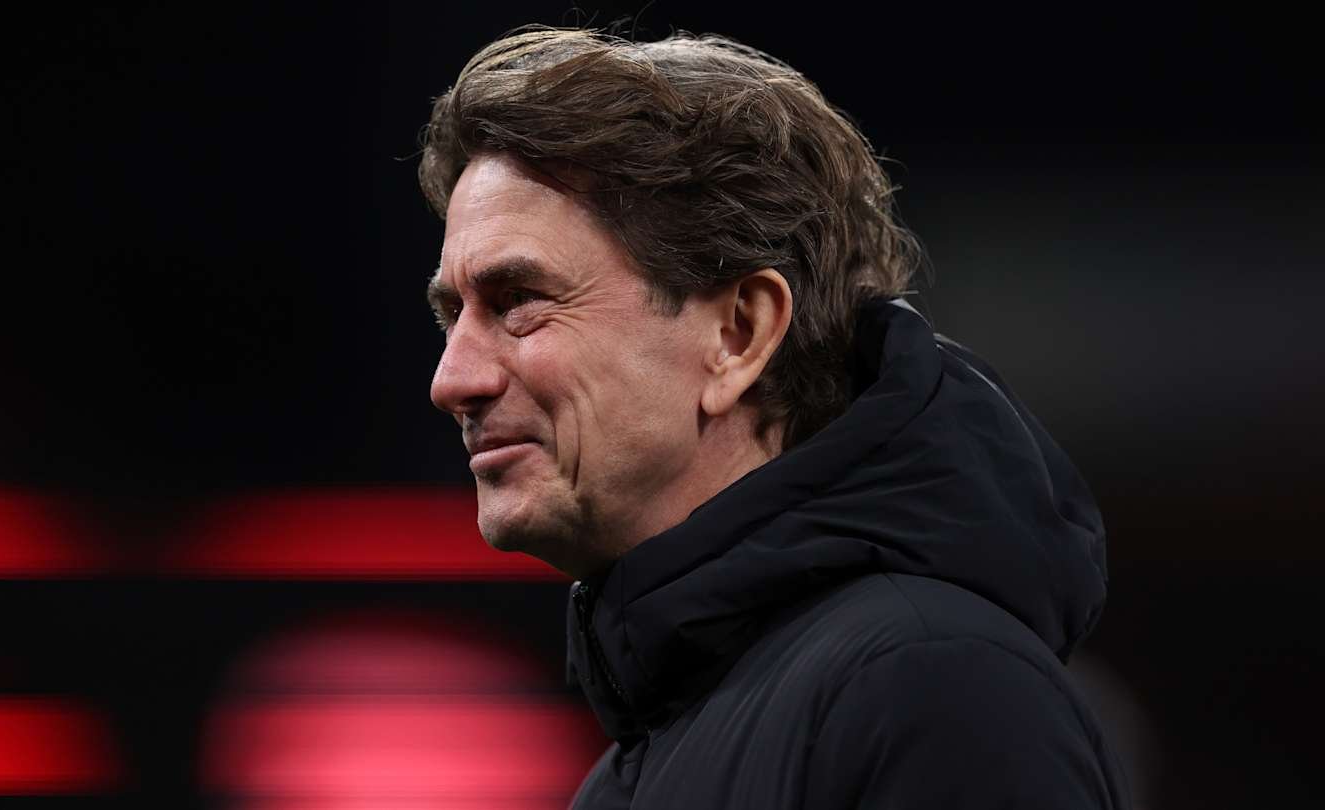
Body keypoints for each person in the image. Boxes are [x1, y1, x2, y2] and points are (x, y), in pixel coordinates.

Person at [419, 26, 1129, 810]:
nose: (454, 380)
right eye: (454, 316)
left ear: (739, 334)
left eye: (518, 302)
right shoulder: (634, 767)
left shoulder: (934, 688)